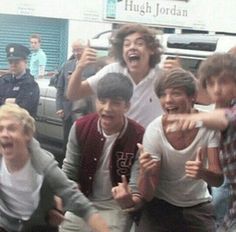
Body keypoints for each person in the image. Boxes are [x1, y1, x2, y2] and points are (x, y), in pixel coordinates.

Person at [134, 68, 223, 232]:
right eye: (162, 95)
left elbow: (218, 179)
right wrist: (145, 173)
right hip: (160, 205)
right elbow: (147, 194)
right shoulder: (154, 131)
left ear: (192, 97)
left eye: (175, 93)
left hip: (197, 204)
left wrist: (202, 173)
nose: (168, 100)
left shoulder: (208, 126)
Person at [0, 103, 110, 232]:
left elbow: (81, 205)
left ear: (27, 134)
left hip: (39, 225)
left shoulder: (45, 166)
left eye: (11, 128)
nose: (4, 134)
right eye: (0, 129)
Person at [60, 73, 145, 232]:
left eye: (115, 103)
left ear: (126, 106)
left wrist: (129, 199)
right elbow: (69, 169)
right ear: (95, 100)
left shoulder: (139, 135)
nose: (107, 108)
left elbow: (135, 188)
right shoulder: (80, 127)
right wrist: (67, 188)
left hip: (115, 207)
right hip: (82, 200)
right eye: (102, 101)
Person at [165, 53, 236, 232]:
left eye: (224, 82)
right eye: (211, 83)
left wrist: (197, 118)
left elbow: (225, 119)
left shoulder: (227, 112)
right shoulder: (221, 106)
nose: (217, 89)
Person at [67, 23, 164, 128]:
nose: (132, 47)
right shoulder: (112, 70)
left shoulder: (162, 78)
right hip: (117, 140)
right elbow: (73, 94)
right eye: (127, 44)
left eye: (139, 44)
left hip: (149, 142)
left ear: (151, 49)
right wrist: (79, 68)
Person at [56, 39, 108, 155]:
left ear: (85, 49)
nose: (76, 53)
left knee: (83, 141)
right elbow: (60, 87)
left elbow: (97, 88)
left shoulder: (94, 67)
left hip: (85, 111)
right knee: (67, 142)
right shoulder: (67, 65)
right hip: (67, 111)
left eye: (79, 50)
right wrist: (59, 107)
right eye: (74, 50)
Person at [0, 43, 39, 117]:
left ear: (25, 62)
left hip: (21, 127)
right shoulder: (3, 80)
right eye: (10, 62)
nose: (13, 65)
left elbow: (23, 108)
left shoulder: (31, 85)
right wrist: (5, 101)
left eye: (16, 62)